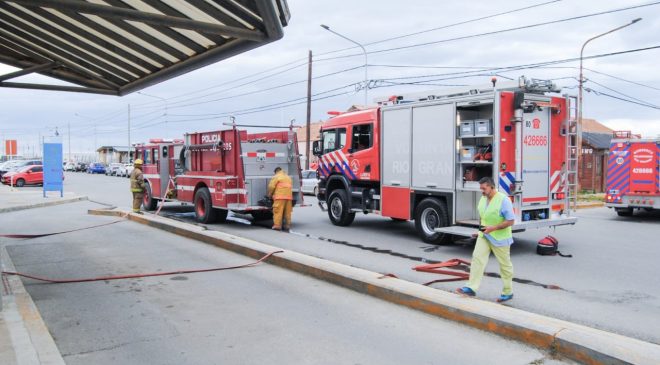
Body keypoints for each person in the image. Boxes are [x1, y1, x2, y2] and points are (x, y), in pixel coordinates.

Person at [456, 176, 515, 303]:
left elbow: (510, 221)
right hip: (484, 235)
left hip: (500, 238)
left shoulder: (504, 200)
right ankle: (471, 287)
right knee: (477, 258)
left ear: (491, 187)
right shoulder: (483, 199)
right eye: (480, 188)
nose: (481, 191)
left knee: (505, 265)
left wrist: (493, 228)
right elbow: (483, 218)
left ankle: (507, 291)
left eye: (484, 188)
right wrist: (479, 232)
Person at [268, 166, 293, 231]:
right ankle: (287, 226)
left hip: (280, 197)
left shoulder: (276, 176)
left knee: (278, 211)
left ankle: (277, 226)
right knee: (287, 212)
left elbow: (271, 186)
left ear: (276, 171)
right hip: (289, 197)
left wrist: (270, 194)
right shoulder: (288, 177)